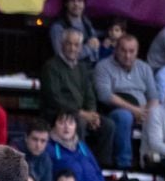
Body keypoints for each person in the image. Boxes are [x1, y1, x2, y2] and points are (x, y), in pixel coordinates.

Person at [40, 28, 115, 167]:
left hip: (82, 113)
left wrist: (92, 114)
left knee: (108, 126)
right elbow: (54, 98)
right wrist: (81, 113)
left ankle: (99, 166)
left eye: (76, 45)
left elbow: (90, 95)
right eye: (69, 44)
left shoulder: (82, 68)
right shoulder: (51, 67)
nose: (72, 48)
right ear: (62, 45)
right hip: (58, 114)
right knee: (78, 123)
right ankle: (79, 162)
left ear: (81, 47)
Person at [94, 35, 159, 169]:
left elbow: (153, 97)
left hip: (142, 111)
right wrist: (134, 110)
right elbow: (104, 95)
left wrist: (148, 113)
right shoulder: (103, 66)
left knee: (163, 116)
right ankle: (124, 164)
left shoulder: (144, 68)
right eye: (123, 51)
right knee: (124, 116)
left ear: (137, 51)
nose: (128, 55)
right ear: (116, 50)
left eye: (132, 51)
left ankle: (155, 163)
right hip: (113, 111)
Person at [48, 0, 100, 64]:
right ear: (66, 3)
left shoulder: (87, 22)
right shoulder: (58, 27)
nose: (76, 4)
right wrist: (88, 48)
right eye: (72, 0)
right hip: (70, 72)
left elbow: (95, 47)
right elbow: (61, 56)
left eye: (80, 1)